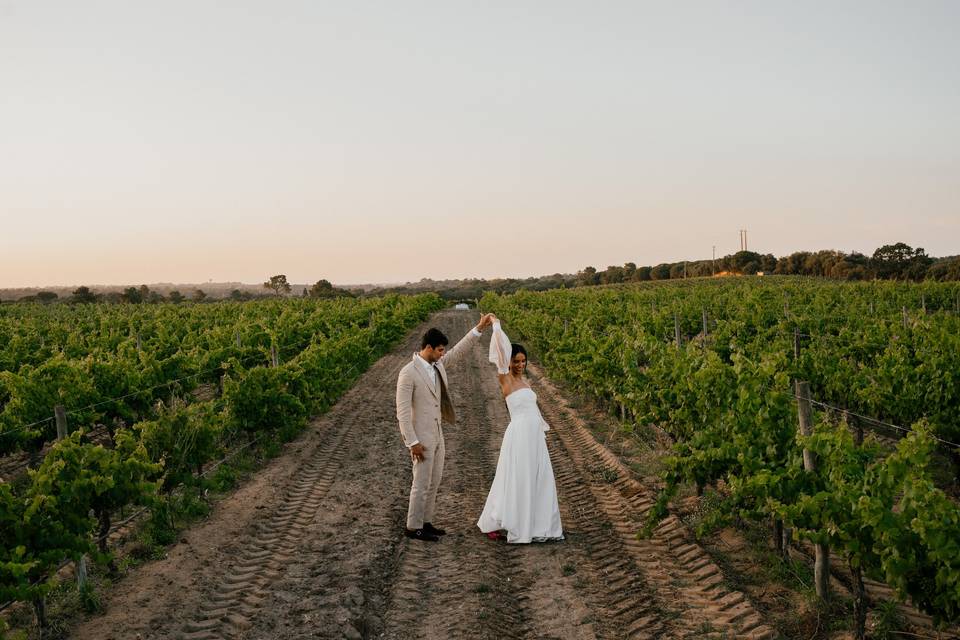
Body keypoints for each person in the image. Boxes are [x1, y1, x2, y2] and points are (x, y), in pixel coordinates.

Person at [396, 313, 495, 542]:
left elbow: (459, 351)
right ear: (428, 347)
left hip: (438, 434)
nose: (443, 354)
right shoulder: (407, 373)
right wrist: (412, 442)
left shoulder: (437, 365)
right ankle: (413, 527)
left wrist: (479, 328)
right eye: (440, 350)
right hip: (420, 438)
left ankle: (426, 522)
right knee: (420, 483)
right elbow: (402, 413)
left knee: (434, 481)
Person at [477, 317, 563, 543]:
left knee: (538, 479)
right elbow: (498, 347)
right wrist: (495, 325)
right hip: (520, 435)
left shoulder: (525, 383)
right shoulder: (506, 380)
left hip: (534, 436)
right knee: (517, 479)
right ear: (509, 361)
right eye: (516, 360)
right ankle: (502, 521)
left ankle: (537, 524)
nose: (520, 365)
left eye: (523, 361)